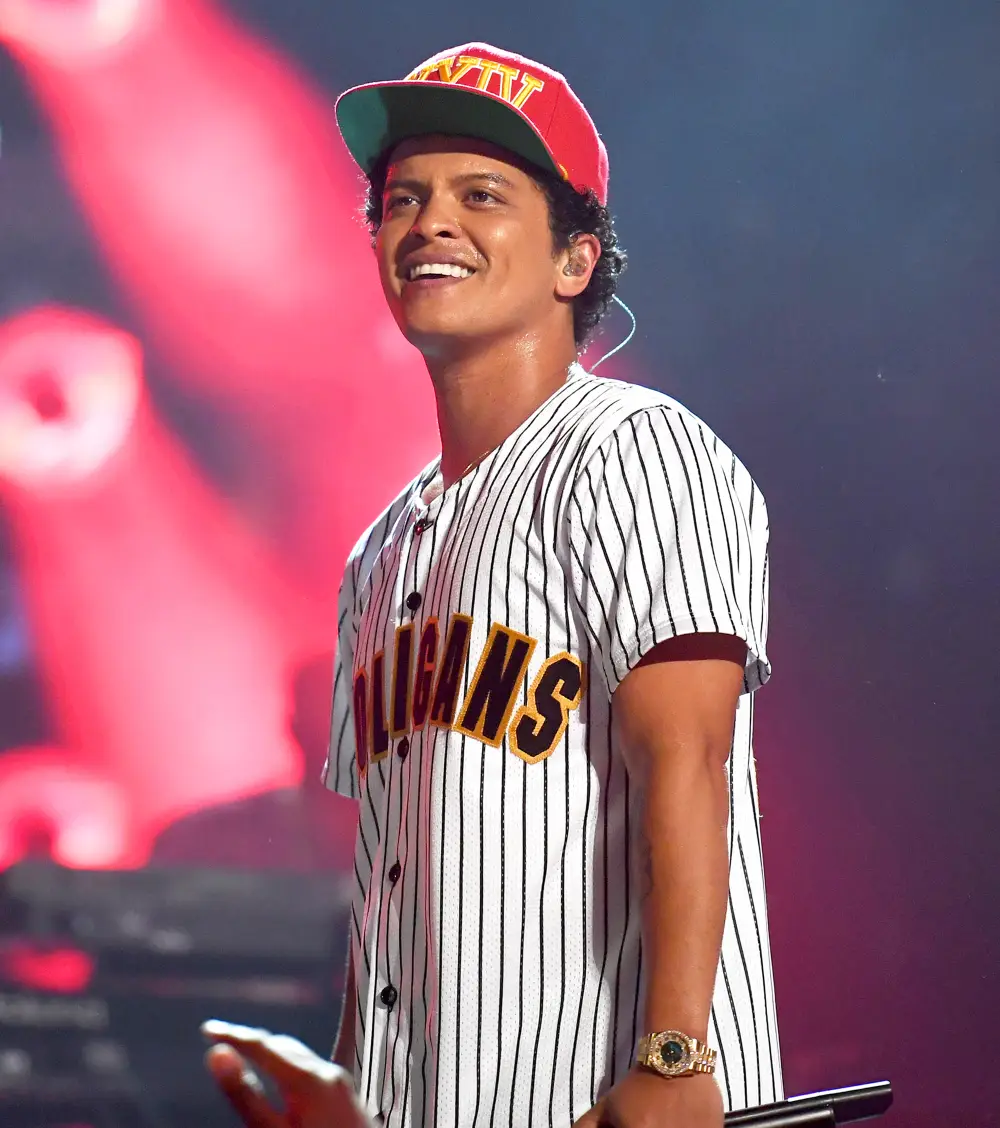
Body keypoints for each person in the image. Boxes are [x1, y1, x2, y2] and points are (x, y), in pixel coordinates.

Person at [203, 42, 782, 1128]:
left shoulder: (634, 451)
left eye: (480, 195)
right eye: (403, 199)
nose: (429, 222)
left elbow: (688, 760)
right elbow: (385, 884)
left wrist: (672, 1056)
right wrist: (349, 1094)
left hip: (610, 1100)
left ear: (575, 259)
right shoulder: (380, 552)